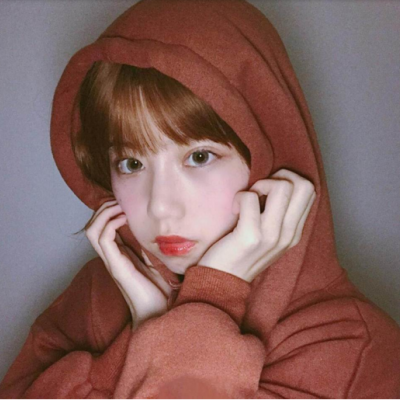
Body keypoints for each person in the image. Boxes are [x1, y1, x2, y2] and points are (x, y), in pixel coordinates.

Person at [0, 0, 399, 398]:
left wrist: (207, 302)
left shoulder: (354, 352)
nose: (160, 206)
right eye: (131, 163)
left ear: (272, 153)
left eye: (199, 157)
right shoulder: (93, 298)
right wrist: (152, 323)